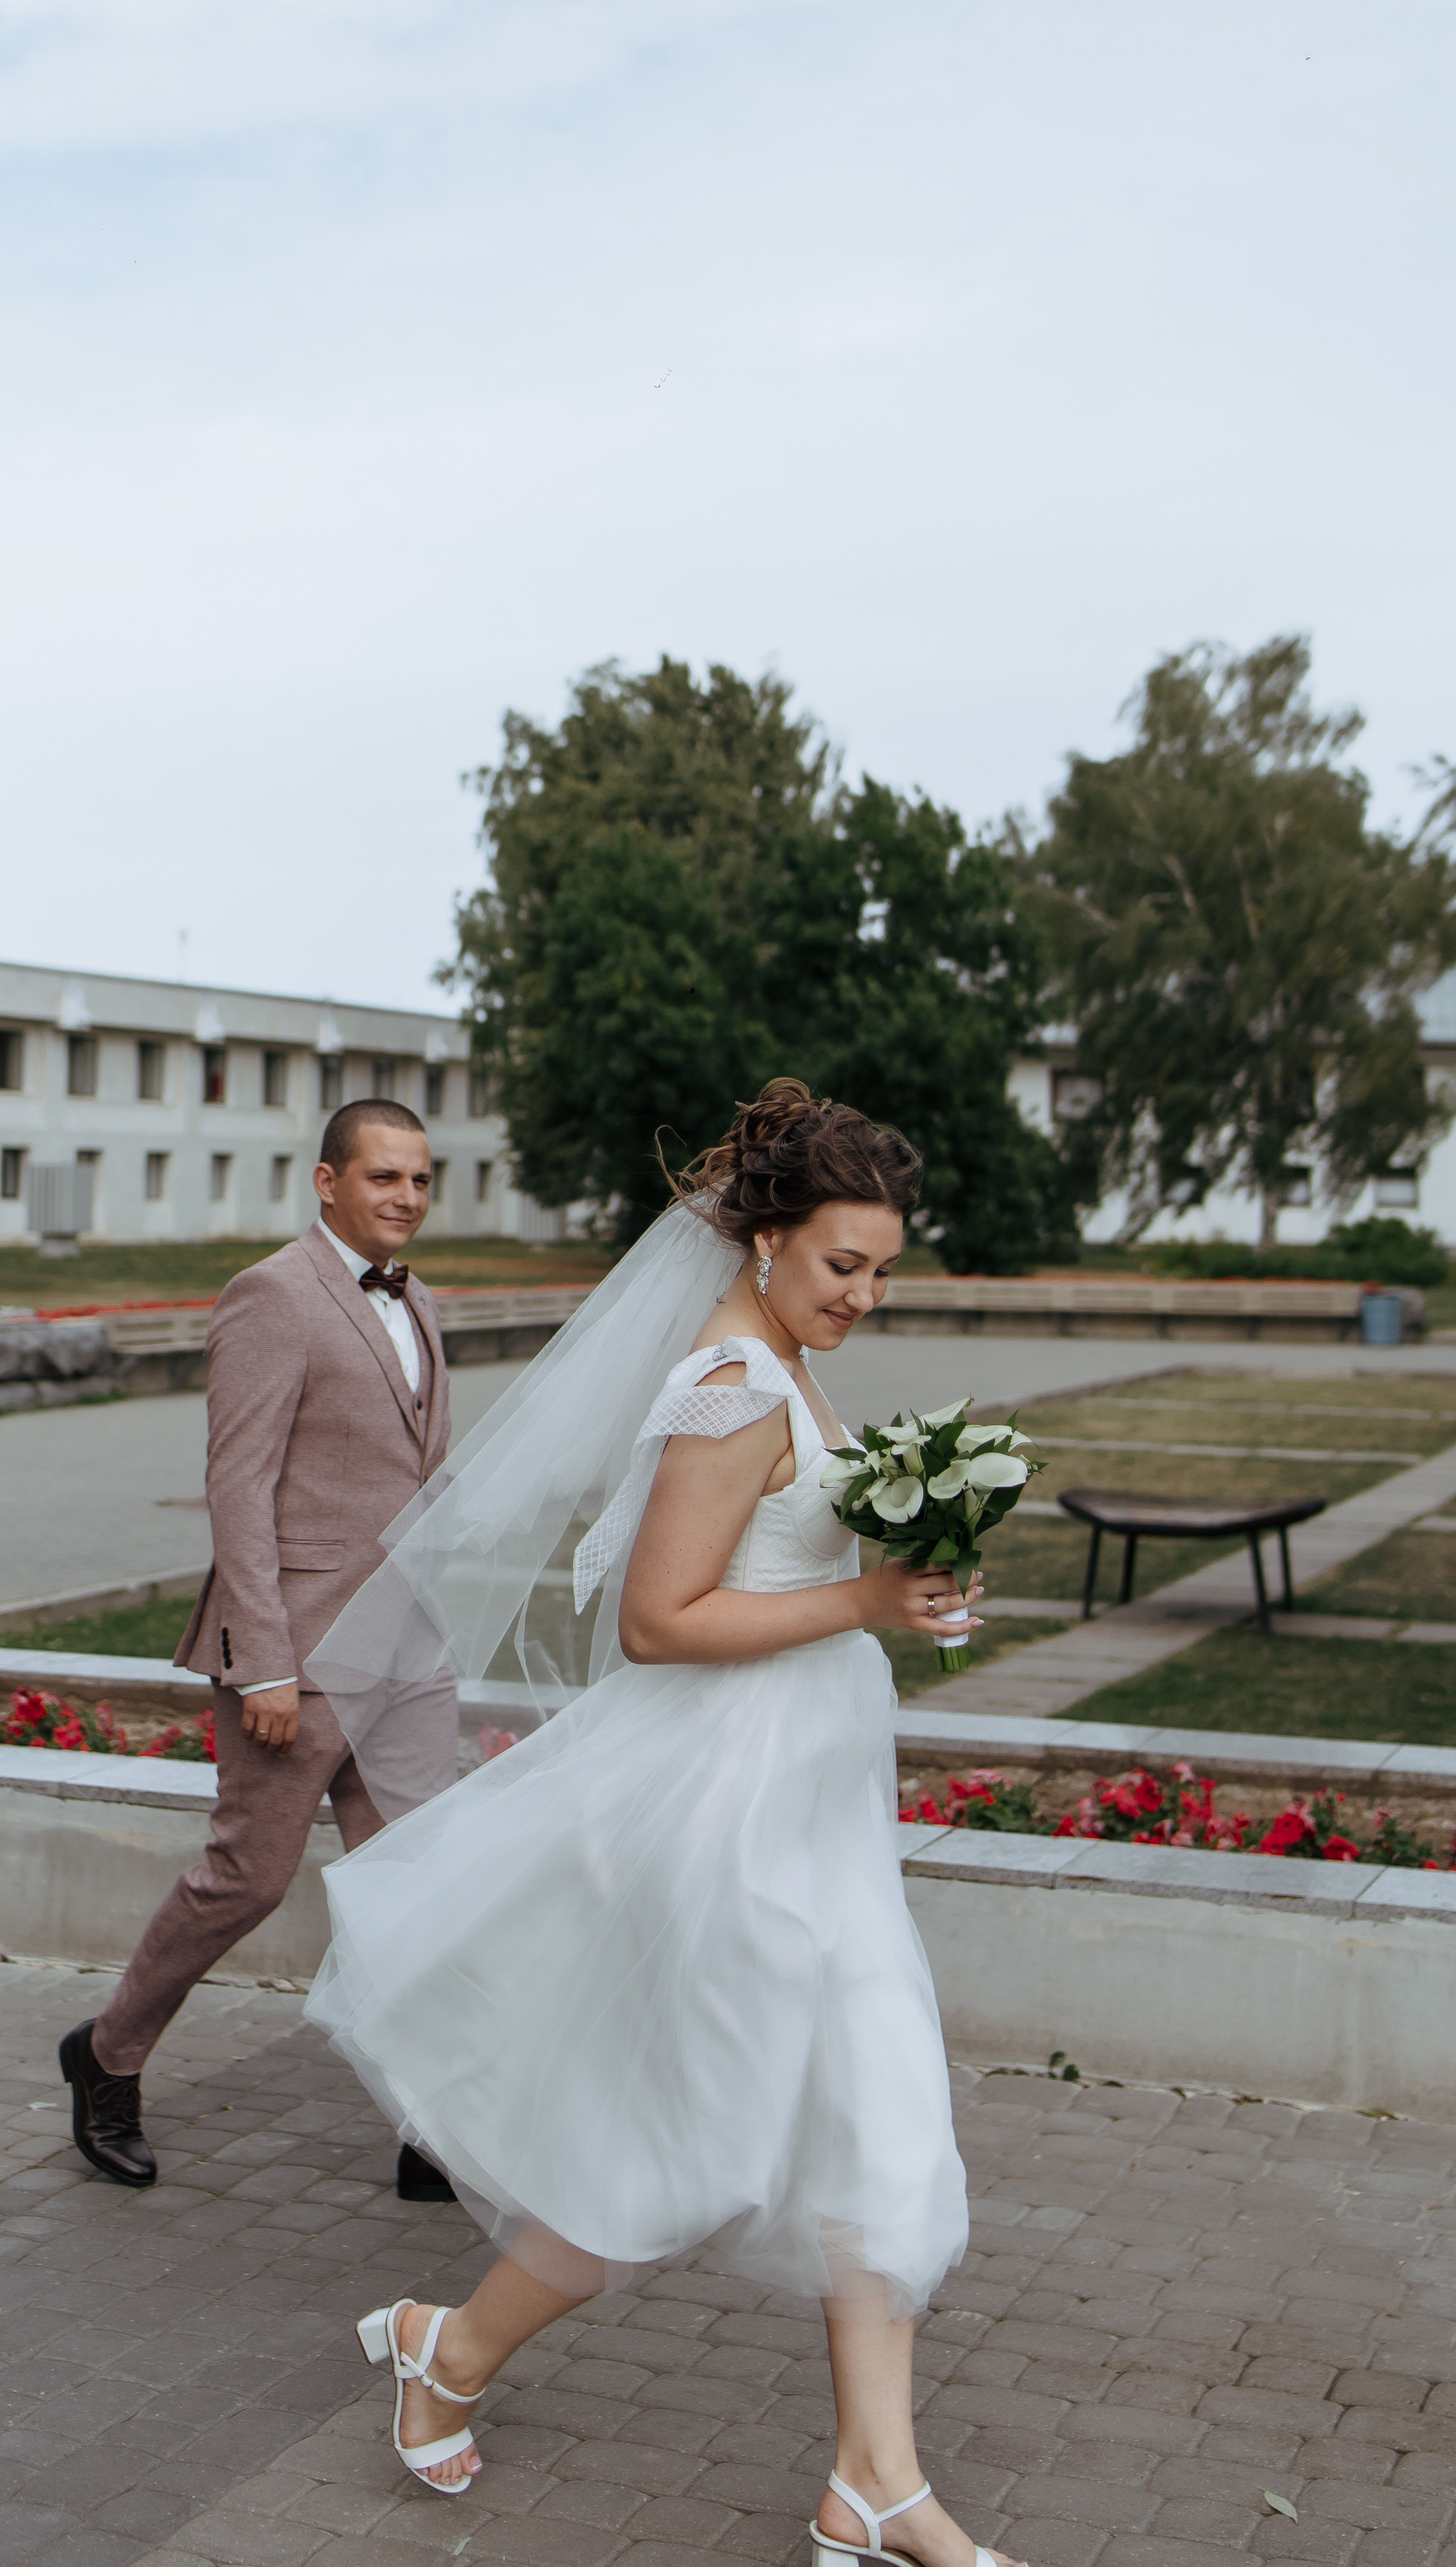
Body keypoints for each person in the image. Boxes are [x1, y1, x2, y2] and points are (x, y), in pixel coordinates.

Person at [304, 1083, 1028, 2567]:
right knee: (681, 2154)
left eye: (885, 1270)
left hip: (819, 1819)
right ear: (765, 1242)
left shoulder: (789, 1362)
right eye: (842, 1264)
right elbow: (656, 1619)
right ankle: (449, 2350)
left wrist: (909, 1565)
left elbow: (791, 1554)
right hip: (731, 1821)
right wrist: (864, 1601)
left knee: (885, 2129)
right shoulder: (731, 1383)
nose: (865, 1296)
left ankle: (875, 2485)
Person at [59, 1097, 460, 2200]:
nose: (407, 1199)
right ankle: (106, 2056)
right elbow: (236, 1488)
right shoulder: (273, 1296)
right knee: (250, 1878)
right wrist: (266, 1663)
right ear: (328, 1182)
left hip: (409, 1647)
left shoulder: (419, 1299)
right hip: (302, 1646)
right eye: (385, 1178)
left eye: (422, 1180)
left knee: (421, 1881)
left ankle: (430, 2122)